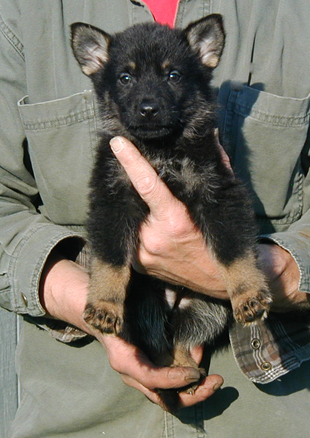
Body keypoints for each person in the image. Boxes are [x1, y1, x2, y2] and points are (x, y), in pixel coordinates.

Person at [0, 1, 310, 437]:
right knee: (116, 215)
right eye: (125, 79)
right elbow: (98, 219)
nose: (148, 99)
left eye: (172, 76)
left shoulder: (295, 15)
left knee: (217, 203)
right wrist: (92, 301)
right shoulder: (22, 14)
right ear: (97, 68)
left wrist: (262, 275)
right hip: (83, 415)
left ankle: (186, 351)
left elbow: (224, 209)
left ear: (205, 60)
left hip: (265, 413)